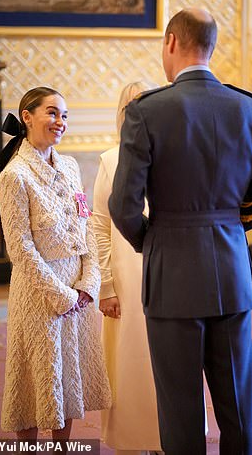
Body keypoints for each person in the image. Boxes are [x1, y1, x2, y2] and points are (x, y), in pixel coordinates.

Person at [108, 9, 252, 455]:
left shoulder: (146, 112)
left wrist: (159, 241)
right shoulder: (251, 109)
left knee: (181, 412)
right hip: (232, 274)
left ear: (170, 42)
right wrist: (223, 227)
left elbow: (123, 207)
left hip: (171, 280)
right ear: (212, 44)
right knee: (239, 411)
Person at [0, 87, 111, 450]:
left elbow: (86, 224)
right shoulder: (14, 176)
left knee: (67, 379)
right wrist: (61, 295)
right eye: (52, 113)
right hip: (39, 294)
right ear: (27, 117)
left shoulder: (72, 166)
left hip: (77, 289)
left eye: (65, 116)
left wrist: (89, 283)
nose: (61, 122)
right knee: (33, 383)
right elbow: (20, 248)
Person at [93, 82, 163, 455]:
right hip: (125, 274)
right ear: (124, 114)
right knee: (129, 359)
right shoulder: (110, 160)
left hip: (167, 273)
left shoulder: (173, 151)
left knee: (170, 359)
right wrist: (106, 285)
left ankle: (170, 437)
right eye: (132, 104)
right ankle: (132, 440)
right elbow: (100, 225)